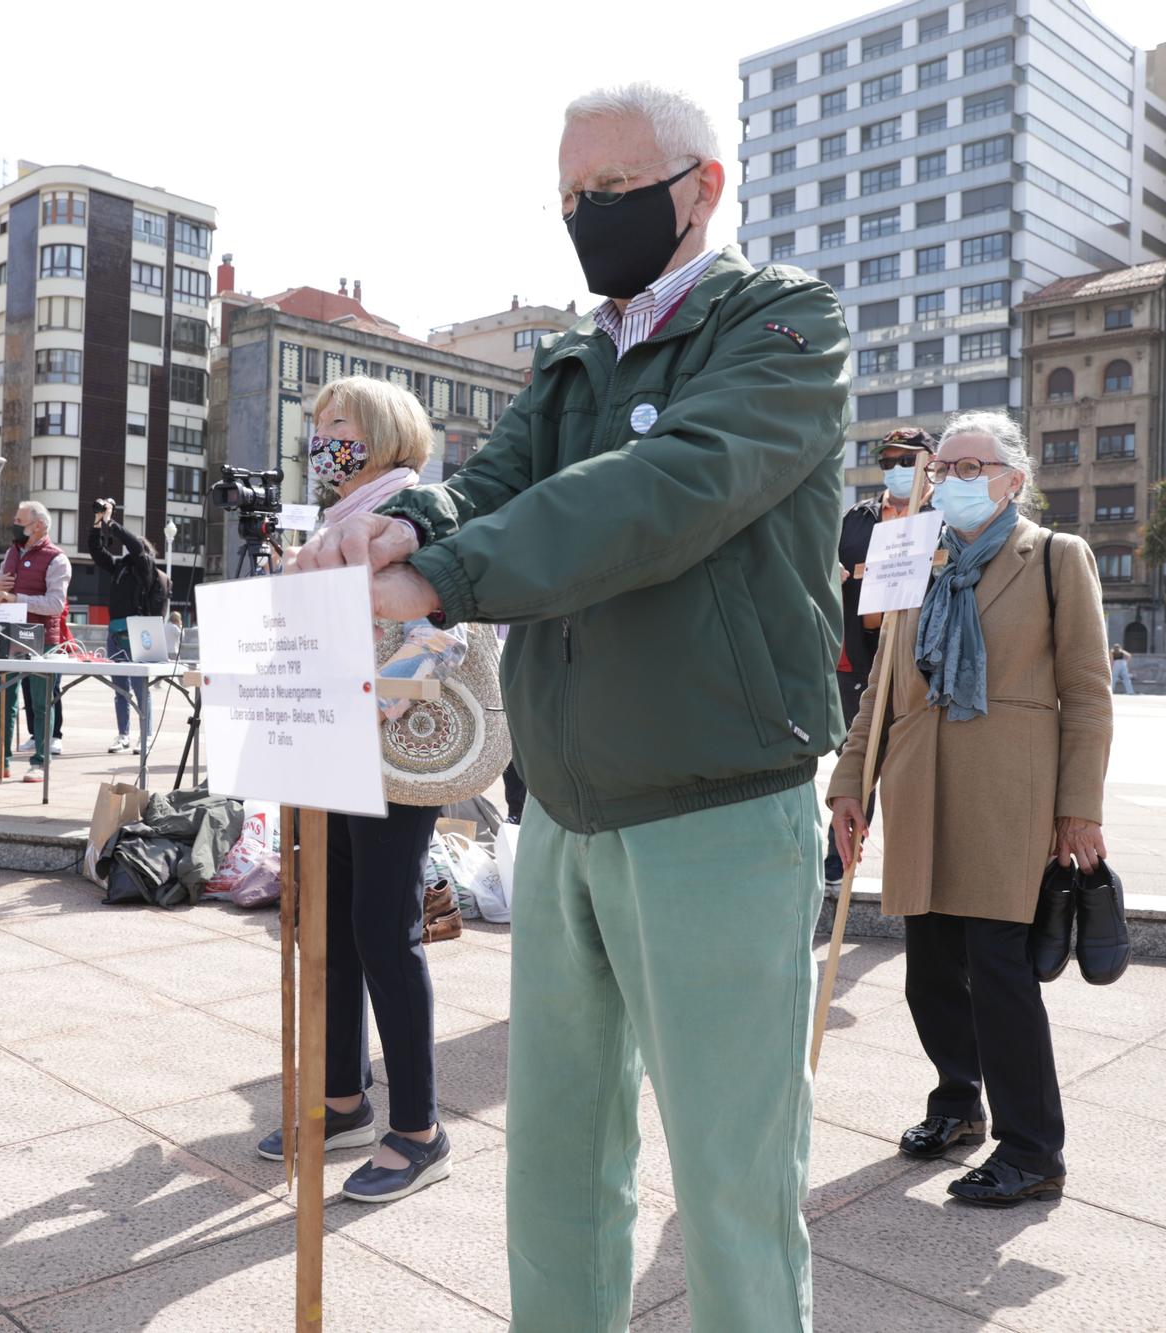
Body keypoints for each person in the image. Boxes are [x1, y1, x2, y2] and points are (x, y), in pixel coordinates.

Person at [294, 83, 849, 1328]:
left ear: (699, 185)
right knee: (551, 1166)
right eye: (565, 198)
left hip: (715, 802)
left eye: (607, 190)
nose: (583, 216)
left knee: (729, 1179)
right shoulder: (572, 356)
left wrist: (440, 570)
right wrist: (405, 519)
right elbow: (490, 479)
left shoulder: (779, 326)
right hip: (562, 808)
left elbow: (668, 487)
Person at [829, 411, 1113, 1209]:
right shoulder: (917, 558)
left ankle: (1032, 1147)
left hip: (1008, 791)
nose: (946, 478)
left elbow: (1088, 693)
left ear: (1011, 479)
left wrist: (1079, 807)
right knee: (928, 969)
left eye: (967, 466)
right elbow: (881, 689)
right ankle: (958, 1102)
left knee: (999, 971)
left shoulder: (1057, 558)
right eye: (941, 466)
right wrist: (851, 785)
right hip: (922, 790)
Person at [256, 375, 468, 1202]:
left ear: (381, 433)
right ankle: (341, 1095)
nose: (321, 440)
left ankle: (419, 1127)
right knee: (330, 924)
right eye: (316, 426)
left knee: (385, 928)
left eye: (336, 423)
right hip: (330, 748)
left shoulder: (413, 513)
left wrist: (369, 686)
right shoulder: (332, 524)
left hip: (393, 753)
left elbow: (443, 634)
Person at [825, 427, 937, 885]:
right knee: (857, 754)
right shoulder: (857, 519)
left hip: (920, 656)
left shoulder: (944, 517)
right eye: (887, 462)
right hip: (859, 653)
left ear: (931, 461)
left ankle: (917, 864)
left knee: (914, 763)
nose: (895, 470)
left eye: (906, 461)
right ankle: (840, 858)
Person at [0, 501, 73, 783]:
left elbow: (55, 604)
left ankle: (40, 762)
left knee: (40, 702)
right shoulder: (12, 552)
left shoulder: (57, 559)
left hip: (42, 639)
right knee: (2, 698)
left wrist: (17, 599)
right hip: (8, 633)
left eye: (19, 519)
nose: (13, 523)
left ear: (38, 525)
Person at [89, 501, 166, 753]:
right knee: (120, 689)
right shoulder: (121, 568)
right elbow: (98, 552)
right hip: (115, 633)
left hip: (137, 633)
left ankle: (146, 736)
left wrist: (113, 524)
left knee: (140, 688)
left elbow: (134, 546)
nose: (132, 552)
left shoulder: (146, 569)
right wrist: (98, 522)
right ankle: (123, 735)